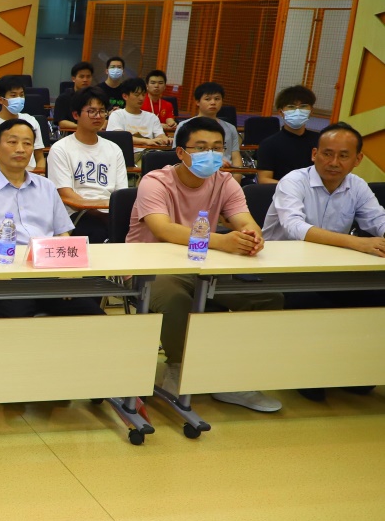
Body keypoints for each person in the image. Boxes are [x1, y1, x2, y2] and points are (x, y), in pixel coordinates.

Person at [127, 117, 284, 412]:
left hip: (204, 266)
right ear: (181, 152)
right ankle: (177, 367)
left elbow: (245, 221)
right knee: (175, 299)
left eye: (216, 148)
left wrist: (252, 237)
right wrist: (223, 241)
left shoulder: (224, 182)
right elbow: (163, 229)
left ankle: (234, 377)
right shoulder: (155, 181)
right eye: (200, 148)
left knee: (267, 298)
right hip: (150, 268)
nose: (210, 154)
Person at [261, 122, 384, 400]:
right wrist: (357, 242)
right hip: (281, 269)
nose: (334, 162)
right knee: (312, 301)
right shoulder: (294, 181)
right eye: (327, 154)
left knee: (374, 296)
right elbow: (295, 227)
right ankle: (309, 372)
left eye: (343, 155)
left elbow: (378, 220)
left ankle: (351, 369)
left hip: (330, 269)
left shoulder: (357, 186)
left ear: (357, 159)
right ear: (314, 154)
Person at [0, 118, 105, 317]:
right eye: (12, 142)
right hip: (4, 276)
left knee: (92, 315)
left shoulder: (46, 186)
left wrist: (66, 272)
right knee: (18, 319)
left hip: (49, 273)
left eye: (27, 143)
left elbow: (63, 233)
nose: (20, 149)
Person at [47, 87, 127, 243]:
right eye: (91, 111)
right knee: (99, 232)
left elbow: (121, 192)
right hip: (76, 214)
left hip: (110, 211)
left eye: (102, 111)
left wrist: (112, 212)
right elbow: (65, 193)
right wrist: (98, 210)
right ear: (75, 115)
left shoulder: (114, 149)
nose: (98, 116)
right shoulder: (60, 149)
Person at [0, 75, 46, 170]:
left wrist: (39, 174)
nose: (19, 99)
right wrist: (19, 166)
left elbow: (39, 157)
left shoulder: (31, 120)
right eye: (13, 95)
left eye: (21, 95)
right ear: (0, 100)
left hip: (30, 174)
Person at [255, 85, 319, 184]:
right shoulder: (268, 144)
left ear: (311, 111)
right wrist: (293, 187)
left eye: (303, 106)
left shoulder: (321, 141)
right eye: (291, 107)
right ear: (281, 112)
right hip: (281, 191)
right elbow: (264, 179)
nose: (297, 111)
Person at [174, 82, 242, 172]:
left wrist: (236, 177)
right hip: (195, 171)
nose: (213, 102)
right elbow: (178, 156)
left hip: (225, 172)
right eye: (207, 99)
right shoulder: (184, 125)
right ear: (197, 102)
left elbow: (236, 157)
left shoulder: (230, 128)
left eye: (217, 99)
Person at [107, 78, 171, 148]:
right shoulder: (117, 115)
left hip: (149, 153)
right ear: (125, 96)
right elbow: (120, 137)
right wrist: (146, 141)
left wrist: (166, 139)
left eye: (143, 95)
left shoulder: (152, 117)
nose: (141, 98)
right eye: (137, 95)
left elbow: (160, 135)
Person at [54, 62, 95, 132]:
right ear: (73, 79)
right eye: (81, 77)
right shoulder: (63, 98)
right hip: (72, 133)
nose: (85, 80)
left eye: (88, 77)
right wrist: (84, 128)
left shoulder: (96, 97)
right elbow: (62, 123)